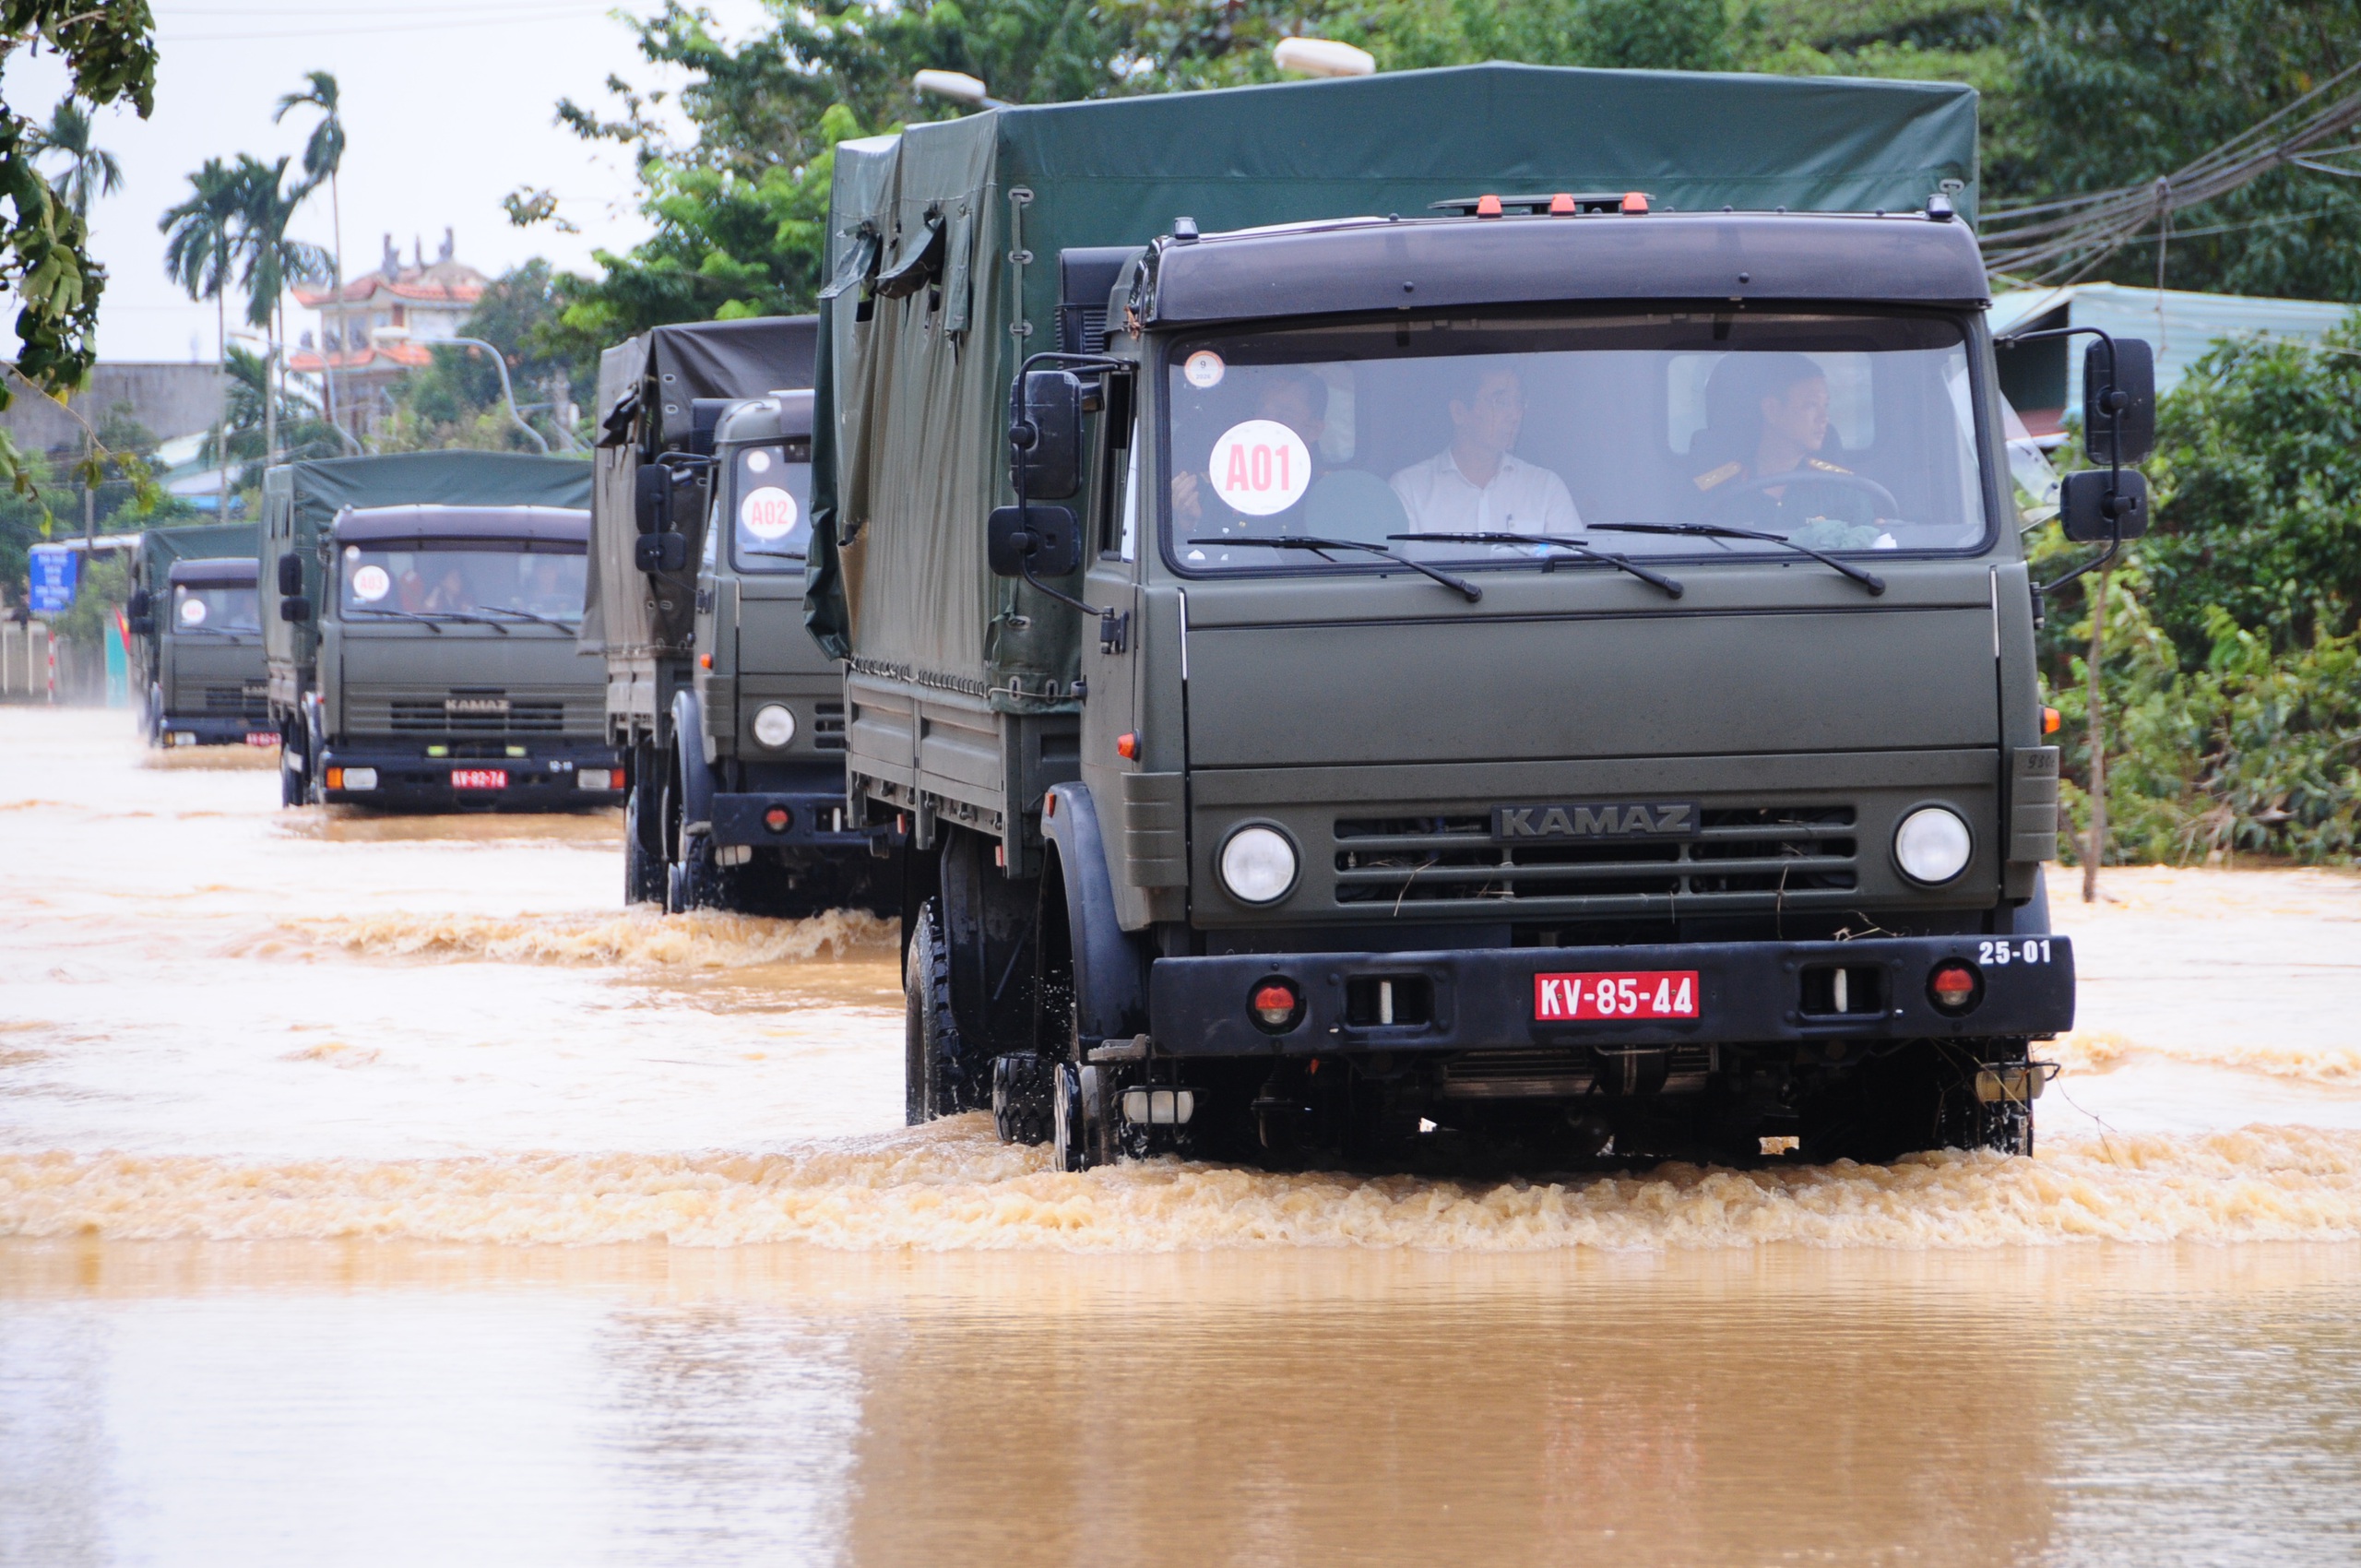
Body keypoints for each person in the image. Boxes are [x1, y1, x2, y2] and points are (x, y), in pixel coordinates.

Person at [1172, 369, 1405, 547]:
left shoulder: (1336, 494)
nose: (1266, 424)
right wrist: (1187, 523)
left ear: (1313, 429)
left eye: (1284, 415)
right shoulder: (1211, 490)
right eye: (1262, 412)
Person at [1688, 353, 1880, 540]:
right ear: (1772, 409)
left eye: (1825, 406)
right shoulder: (1717, 490)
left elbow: (1870, 557)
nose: (1824, 418)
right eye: (1811, 405)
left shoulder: (1844, 491)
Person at [1389, 362, 1579, 535]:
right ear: (1459, 412)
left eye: (1519, 402)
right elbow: (1400, 571)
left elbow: (1571, 567)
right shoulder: (1409, 489)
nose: (1515, 415)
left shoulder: (1546, 488)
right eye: (1501, 402)